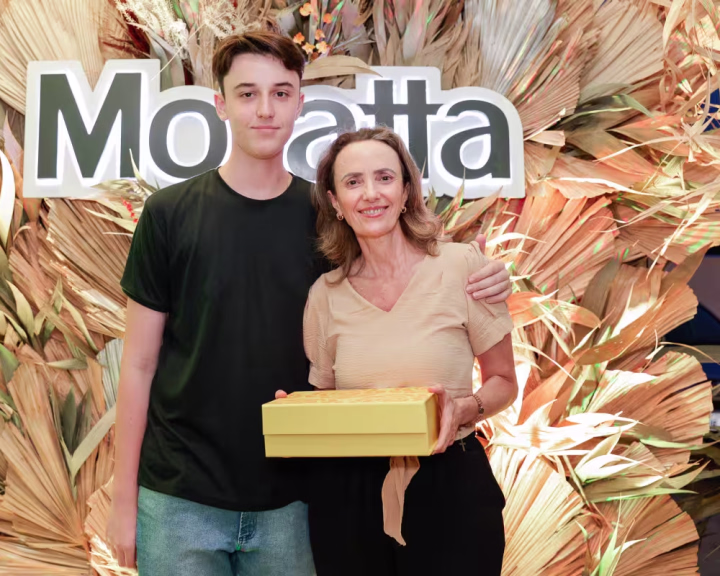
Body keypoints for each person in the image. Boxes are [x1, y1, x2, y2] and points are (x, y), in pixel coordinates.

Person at [107, 31, 515, 576]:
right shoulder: (167, 214)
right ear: (220, 104)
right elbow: (138, 365)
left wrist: (491, 274)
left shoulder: (324, 220)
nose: (265, 109)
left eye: (280, 93)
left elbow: (402, 278)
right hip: (181, 497)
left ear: (300, 103)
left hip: (294, 502)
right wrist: (124, 500)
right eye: (247, 93)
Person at [296, 126, 518, 576]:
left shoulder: (462, 266)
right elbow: (327, 403)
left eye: (384, 178)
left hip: (452, 487)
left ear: (405, 191)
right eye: (353, 182)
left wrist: (465, 408)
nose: (370, 193)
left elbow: (504, 381)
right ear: (335, 202)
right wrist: (299, 416)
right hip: (350, 498)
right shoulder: (324, 295)